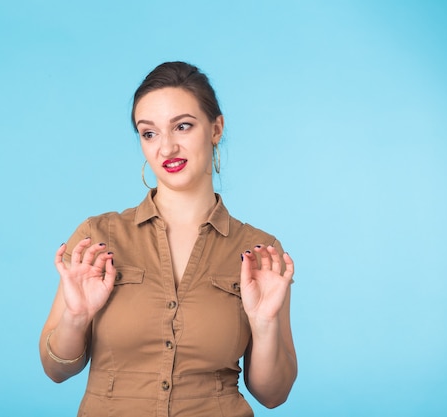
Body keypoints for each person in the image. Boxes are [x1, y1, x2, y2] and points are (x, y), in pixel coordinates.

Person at [39, 61, 297, 417]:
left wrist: (265, 325)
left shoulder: (260, 252)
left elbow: (273, 395)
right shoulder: (97, 238)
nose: (166, 148)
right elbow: (56, 370)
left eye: (183, 126)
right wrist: (76, 316)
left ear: (216, 128)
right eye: (150, 133)